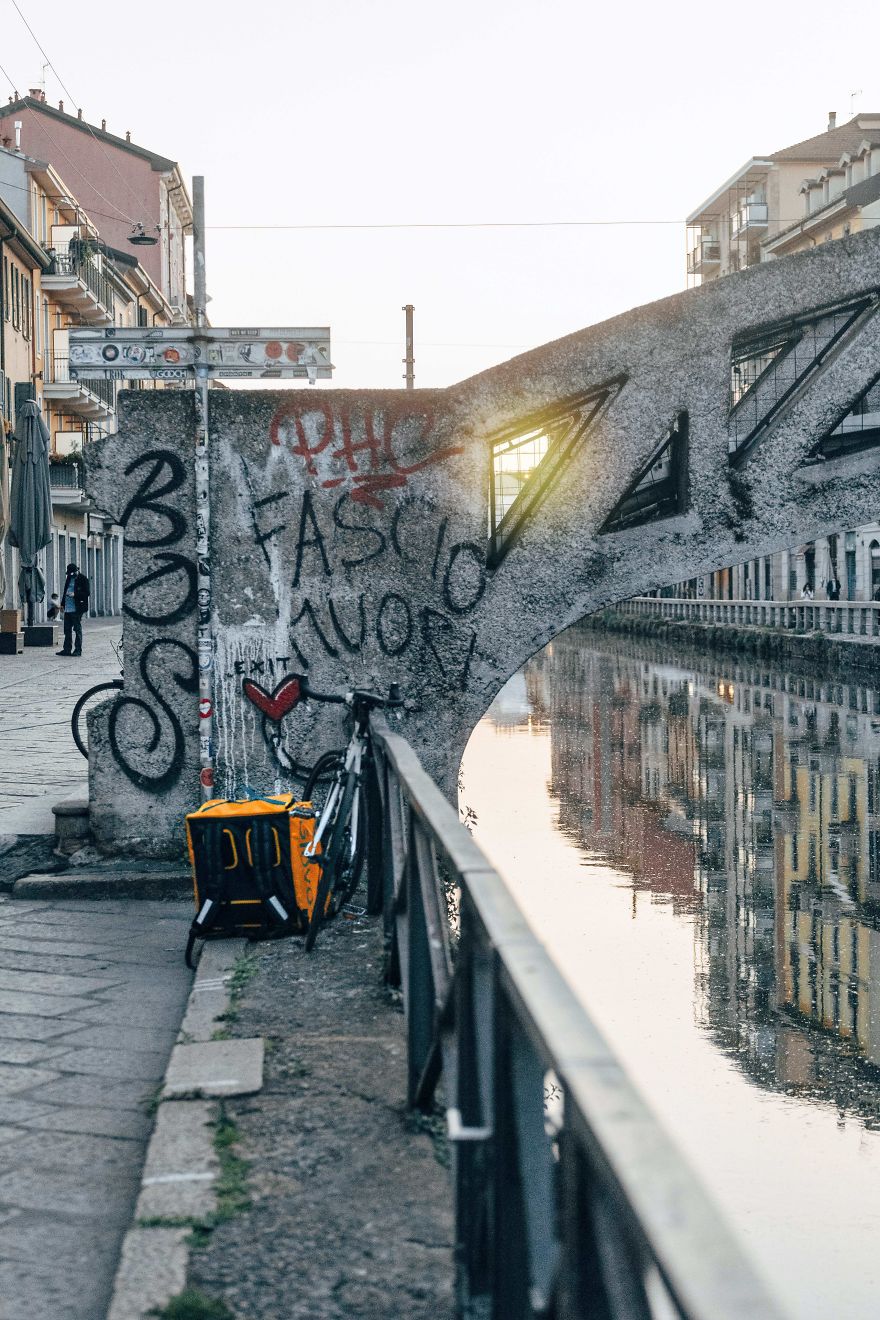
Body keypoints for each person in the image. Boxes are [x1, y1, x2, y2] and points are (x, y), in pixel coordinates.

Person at [56, 562, 90, 657]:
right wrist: (62, 604)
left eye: (72, 573)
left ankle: (78, 650)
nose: (71, 575)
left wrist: (75, 595)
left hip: (77, 608)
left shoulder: (83, 579)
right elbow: (65, 591)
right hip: (68, 607)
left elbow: (87, 593)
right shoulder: (69, 578)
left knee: (77, 629)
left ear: (76, 571)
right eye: (69, 574)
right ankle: (67, 649)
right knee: (67, 629)